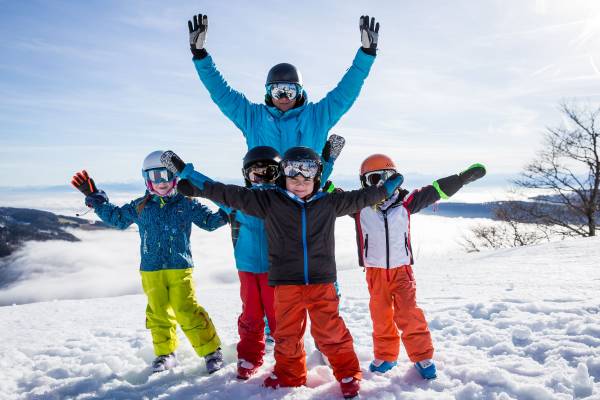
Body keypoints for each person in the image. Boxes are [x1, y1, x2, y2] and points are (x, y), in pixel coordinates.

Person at [161, 147, 404, 399]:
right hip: (286, 284)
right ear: (283, 178)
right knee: (286, 335)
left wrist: (386, 189)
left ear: (317, 178)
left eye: (306, 177)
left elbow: (362, 197)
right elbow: (227, 193)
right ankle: (290, 374)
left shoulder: (329, 202)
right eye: (293, 177)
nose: (300, 183)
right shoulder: (270, 202)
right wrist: (196, 185)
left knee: (330, 331)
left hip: (321, 283)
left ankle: (347, 373)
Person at [70, 151, 228, 374]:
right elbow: (117, 218)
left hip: (179, 267)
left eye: (165, 175)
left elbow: (211, 222)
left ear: (175, 177)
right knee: (158, 311)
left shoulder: (187, 204)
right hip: (151, 270)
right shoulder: (141, 206)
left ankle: (211, 351)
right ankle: (165, 354)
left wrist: (231, 206)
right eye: (154, 176)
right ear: (146, 179)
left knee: (186, 309)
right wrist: (96, 199)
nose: (161, 181)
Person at [218, 136, 345, 380]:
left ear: (279, 175)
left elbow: (311, 180)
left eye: (270, 173)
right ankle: (250, 355)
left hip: (279, 271)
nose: (263, 180)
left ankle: (290, 357)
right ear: (246, 175)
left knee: (283, 320)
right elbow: (213, 189)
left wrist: (327, 160)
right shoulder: (239, 201)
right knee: (251, 315)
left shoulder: (282, 199)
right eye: (256, 174)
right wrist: (184, 174)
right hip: (247, 269)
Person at [352, 154, 486, 379]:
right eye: (373, 179)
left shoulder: (406, 203)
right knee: (380, 315)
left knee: (409, 313)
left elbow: (435, 190)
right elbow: (328, 194)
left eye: (386, 178)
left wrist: (462, 179)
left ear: (395, 178)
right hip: (375, 272)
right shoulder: (359, 206)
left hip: (402, 270)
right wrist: (322, 165)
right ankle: (386, 356)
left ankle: (422, 356)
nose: (380, 185)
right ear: (364, 183)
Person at [187, 13, 379, 155]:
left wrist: (366, 54)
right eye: (278, 91)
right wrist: (200, 55)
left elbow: (345, 93)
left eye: (290, 90)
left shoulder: (317, 116)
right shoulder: (253, 118)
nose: (285, 97)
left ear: (300, 92)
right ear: (269, 93)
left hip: (306, 198)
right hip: (263, 200)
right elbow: (221, 93)